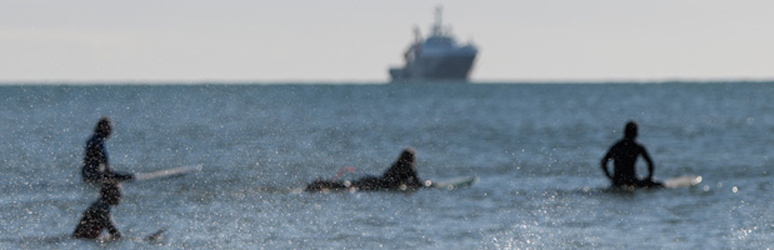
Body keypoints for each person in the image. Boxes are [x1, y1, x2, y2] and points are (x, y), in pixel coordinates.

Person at [306, 147, 428, 192]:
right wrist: (432, 185)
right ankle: (323, 184)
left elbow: (387, 175)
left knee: (349, 185)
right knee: (349, 187)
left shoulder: (396, 164)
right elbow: (418, 183)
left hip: (375, 180)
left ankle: (322, 183)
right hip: (380, 185)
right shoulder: (409, 168)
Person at [600, 121, 662, 188]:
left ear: (624, 132)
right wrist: (649, 177)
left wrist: (610, 177)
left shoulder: (617, 146)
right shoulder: (637, 147)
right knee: (660, 185)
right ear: (636, 133)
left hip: (618, 181)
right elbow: (650, 163)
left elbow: (604, 162)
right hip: (632, 180)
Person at [82, 117, 134, 184]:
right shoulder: (98, 141)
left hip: (86, 174)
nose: (110, 131)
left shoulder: (92, 139)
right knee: (129, 177)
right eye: (109, 128)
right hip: (94, 175)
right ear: (103, 128)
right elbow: (104, 162)